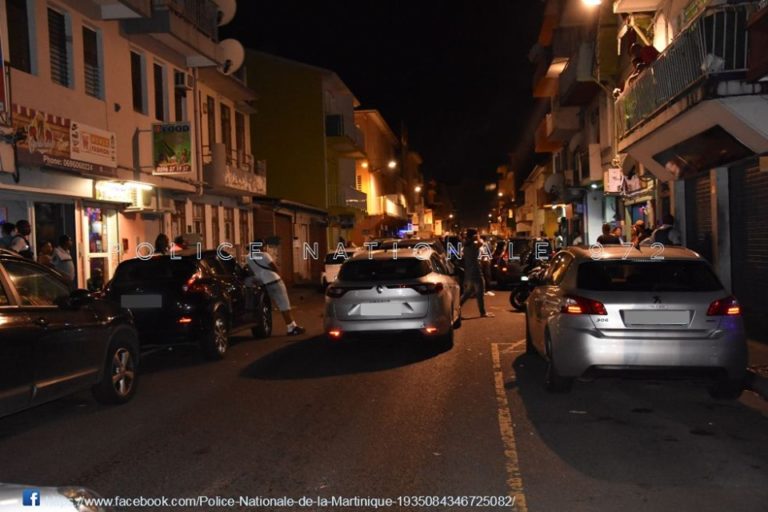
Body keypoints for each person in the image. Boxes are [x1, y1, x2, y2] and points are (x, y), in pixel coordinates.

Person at [245, 240, 306, 336]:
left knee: (269, 305)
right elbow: (274, 267)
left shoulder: (248, 257)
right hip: (275, 281)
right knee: (284, 305)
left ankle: (290, 326)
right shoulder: (265, 255)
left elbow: (251, 271)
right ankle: (292, 327)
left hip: (263, 284)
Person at [459, 229, 493, 318]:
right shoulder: (474, 245)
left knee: (468, 293)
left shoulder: (465, 245)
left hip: (469, 272)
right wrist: (477, 237)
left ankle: (455, 308)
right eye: (477, 234)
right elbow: (481, 243)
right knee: (480, 292)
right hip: (476, 272)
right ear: (474, 235)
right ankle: (483, 312)